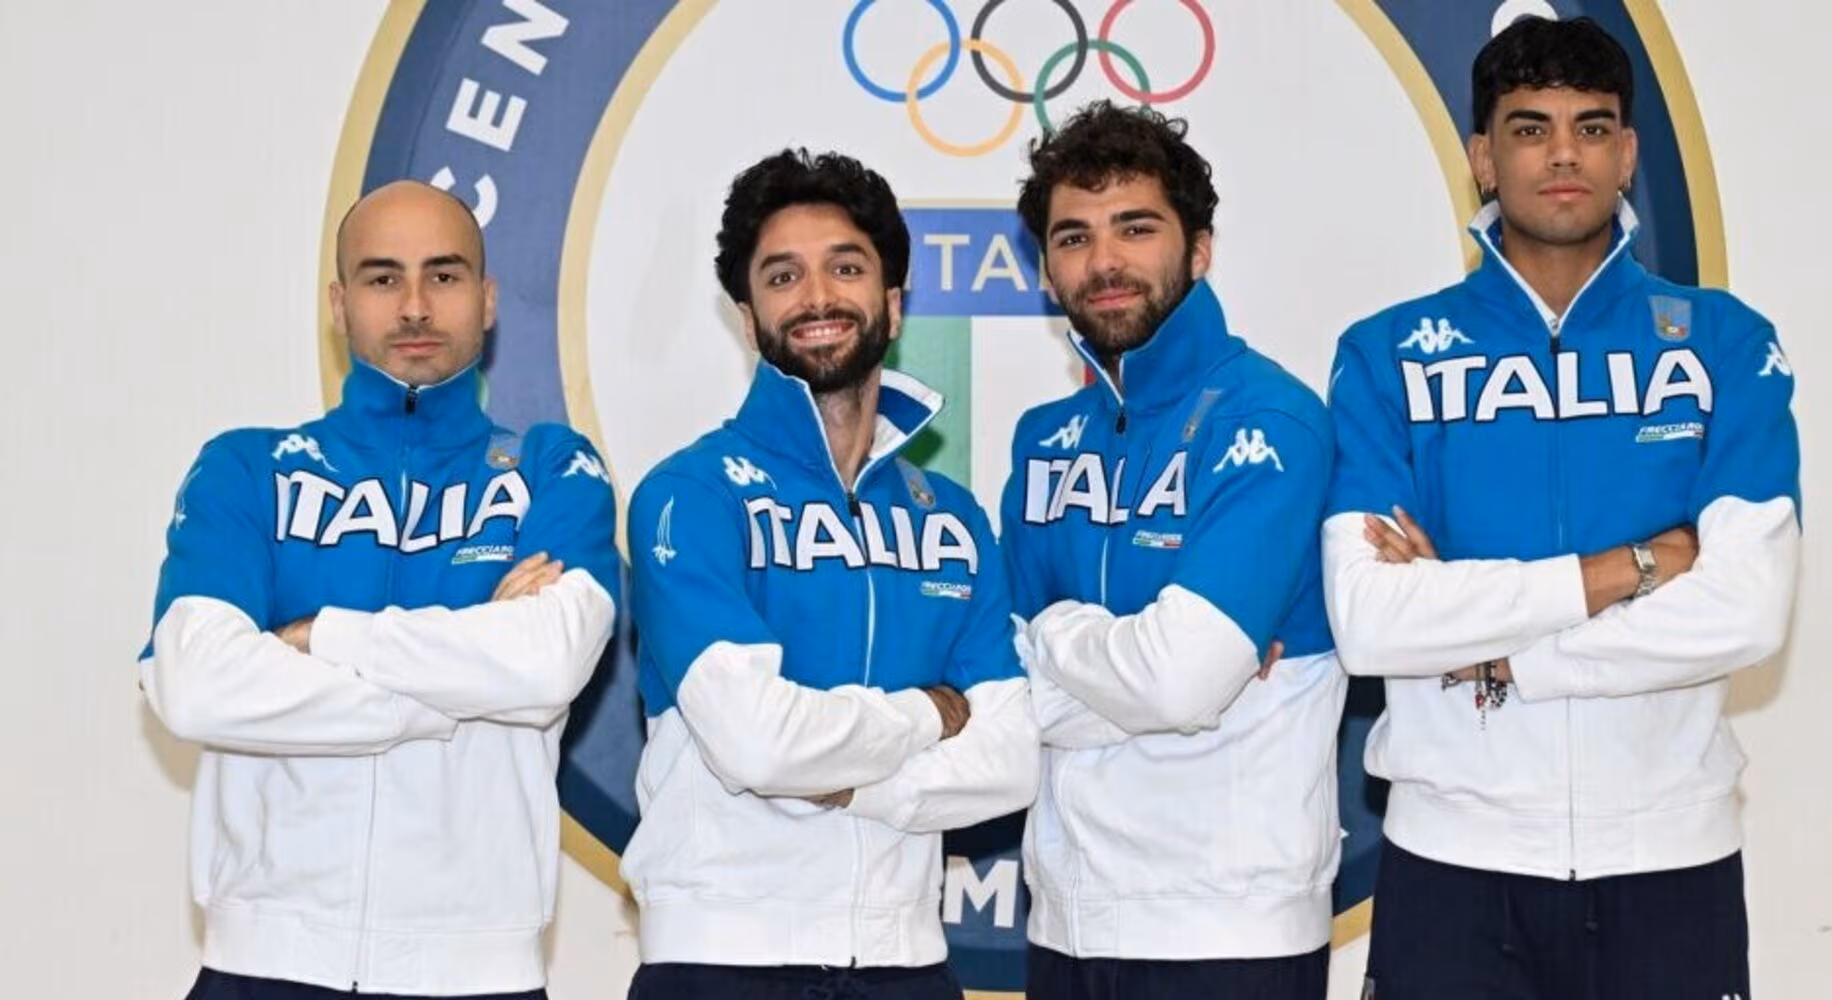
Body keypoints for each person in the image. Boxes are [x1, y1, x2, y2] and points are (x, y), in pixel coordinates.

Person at [1323, 16, 1801, 999]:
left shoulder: (1722, 342)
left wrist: (1504, 656)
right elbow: (1372, 622)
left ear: (1627, 155)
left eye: (1592, 127)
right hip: (1451, 862)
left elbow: (1748, 608)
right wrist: (1635, 567)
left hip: (1670, 860)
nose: (1564, 154)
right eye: (1530, 128)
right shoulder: (1386, 354)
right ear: (1483, 159)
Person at [140, 180, 621, 999]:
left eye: (444, 275)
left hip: (477, 971)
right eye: (382, 277)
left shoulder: (551, 467)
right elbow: (194, 685)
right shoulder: (247, 466)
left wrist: (318, 637)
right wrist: (458, 692)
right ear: (339, 304)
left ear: (488, 300)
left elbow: (546, 663)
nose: (415, 306)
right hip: (265, 964)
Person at [619, 149, 1039, 1000]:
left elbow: (1011, 760)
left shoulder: (953, 519)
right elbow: (756, 742)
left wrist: (852, 789)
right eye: (783, 276)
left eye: (845, 268)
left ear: (893, 302)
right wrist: (926, 712)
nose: (816, 297)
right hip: (719, 962)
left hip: (906, 964)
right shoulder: (688, 495)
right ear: (748, 319)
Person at [1002, 101, 1344, 1000]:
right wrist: (1137, 665)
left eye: (1136, 227)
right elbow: (1002, 694)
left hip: (1233, 932)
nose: (1104, 261)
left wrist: (1056, 636)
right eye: (1073, 237)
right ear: (1047, 269)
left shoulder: (1272, 419)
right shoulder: (1042, 440)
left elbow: (1179, 681)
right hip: (1065, 924)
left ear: (1199, 249)